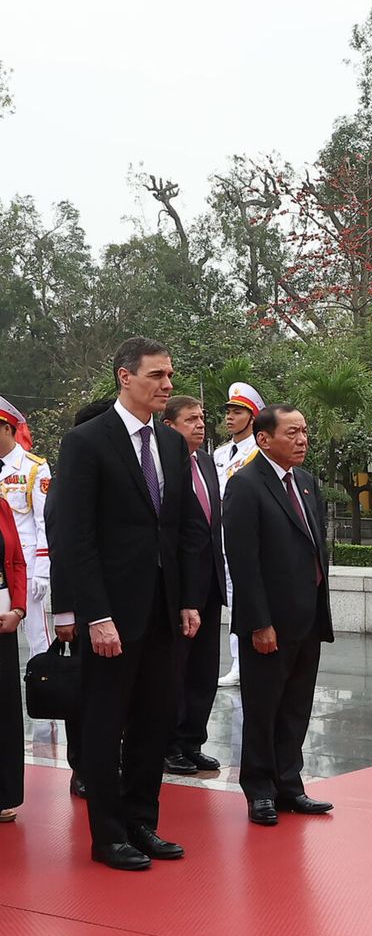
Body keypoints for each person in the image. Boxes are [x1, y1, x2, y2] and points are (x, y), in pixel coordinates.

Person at [48, 337, 206, 870]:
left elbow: (182, 526)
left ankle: (142, 823)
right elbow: (77, 538)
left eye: (170, 377)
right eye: (157, 376)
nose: (167, 385)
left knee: (155, 720)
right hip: (111, 613)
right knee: (105, 720)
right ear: (125, 377)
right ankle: (108, 834)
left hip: (163, 609)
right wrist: (95, 614)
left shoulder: (171, 444)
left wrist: (187, 598)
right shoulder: (86, 443)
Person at [222, 404, 334, 826]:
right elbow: (243, 561)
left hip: (307, 617)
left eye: (304, 431)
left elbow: (315, 548)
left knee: (296, 706)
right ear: (264, 438)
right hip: (268, 622)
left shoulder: (306, 482)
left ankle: (290, 783)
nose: (302, 440)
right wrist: (258, 622)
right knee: (263, 706)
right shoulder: (246, 485)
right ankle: (260, 790)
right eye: (292, 433)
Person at [48, 398, 114, 798]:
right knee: (84, 692)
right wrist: (66, 610)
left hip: (115, 601)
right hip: (84, 609)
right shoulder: (67, 482)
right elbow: (62, 548)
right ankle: (82, 766)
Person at [160, 396, 227, 775]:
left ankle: (192, 740)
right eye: (190, 420)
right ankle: (168, 743)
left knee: (204, 669)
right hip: (178, 586)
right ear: (168, 426)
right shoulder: (162, 466)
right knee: (176, 668)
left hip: (210, 582)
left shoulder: (206, 461)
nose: (200, 425)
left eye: (202, 418)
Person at [213, 381, 265, 689]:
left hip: (244, 539)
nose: (230, 418)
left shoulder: (258, 453)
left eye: (238, 411)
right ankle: (237, 662)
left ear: (252, 416)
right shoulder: (219, 454)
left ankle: (244, 662)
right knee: (232, 602)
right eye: (229, 412)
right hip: (219, 538)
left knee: (245, 600)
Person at [0, 398, 51, 663]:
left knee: (37, 637)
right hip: (1, 564)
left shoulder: (33, 468)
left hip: (27, 564)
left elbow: (44, 521)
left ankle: (41, 691)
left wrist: (43, 569)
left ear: (7, 429)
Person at [0, 494, 27, 823]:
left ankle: (3, 793)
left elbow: (17, 561)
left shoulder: (3, 505)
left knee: (4, 707)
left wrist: (18, 609)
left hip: (4, 623)